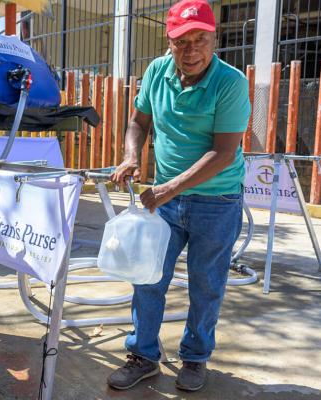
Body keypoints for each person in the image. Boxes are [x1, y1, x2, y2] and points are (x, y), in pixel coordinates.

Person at [108, 0, 251, 392]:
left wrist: (169, 188)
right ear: (169, 43)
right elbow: (139, 120)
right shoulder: (157, 71)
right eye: (181, 42)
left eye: (199, 40)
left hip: (216, 201)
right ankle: (143, 356)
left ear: (214, 39)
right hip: (165, 200)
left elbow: (224, 153)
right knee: (148, 277)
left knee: (206, 284)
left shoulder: (231, 82)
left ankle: (195, 357)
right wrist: (131, 155)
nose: (191, 51)